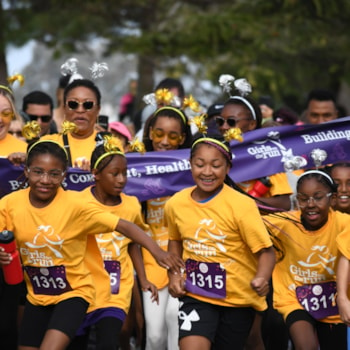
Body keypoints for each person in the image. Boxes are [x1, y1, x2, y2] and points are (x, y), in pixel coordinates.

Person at [0, 140, 184, 350]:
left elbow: (124, 226)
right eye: (38, 172)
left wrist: (157, 251)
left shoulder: (76, 206)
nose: (45, 180)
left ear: (64, 175)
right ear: (26, 171)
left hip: (74, 294)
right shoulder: (10, 204)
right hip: (37, 297)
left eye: (54, 174)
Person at [166, 135, 275, 350]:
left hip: (237, 300)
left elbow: (266, 252)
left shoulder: (242, 205)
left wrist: (262, 277)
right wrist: (175, 275)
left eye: (216, 165)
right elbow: (175, 242)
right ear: (190, 165)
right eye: (200, 164)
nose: (207, 172)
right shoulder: (175, 204)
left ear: (227, 168)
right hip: (196, 295)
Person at [67, 134, 158, 349]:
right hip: (83, 288)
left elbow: (133, 242)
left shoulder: (132, 205)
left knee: (110, 341)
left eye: (125, 174)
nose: (121, 180)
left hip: (116, 291)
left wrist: (143, 279)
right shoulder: (77, 201)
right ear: (96, 174)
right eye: (114, 174)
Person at [264, 170, 347, 349]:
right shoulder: (283, 223)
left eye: (318, 197)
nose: (310, 204)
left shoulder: (344, 224)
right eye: (303, 198)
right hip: (294, 298)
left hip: (334, 302)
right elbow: (245, 222)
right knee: (306, 346)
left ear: (332, 199)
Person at [141, 105, 192, 350]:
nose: (164, 141)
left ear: (183, 138)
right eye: (159, 133)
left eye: (173, 136)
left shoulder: (194, 168)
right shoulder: (135, 166)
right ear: (149, 132)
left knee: (176, 322)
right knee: (154, 337)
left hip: (185, 260)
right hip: (151, 260)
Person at [0, 83, 27, 350]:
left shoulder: (25, 150)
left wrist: (28, 166)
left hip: (13, 253)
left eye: (6, 113)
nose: (0, 119)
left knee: (8, 327)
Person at [42, 78, 102, 170]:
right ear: (64, 108)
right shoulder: (48, 143)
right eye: (73, 104)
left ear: (98, 110)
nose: (80, 110)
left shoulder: (110, 145)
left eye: (88, 105)